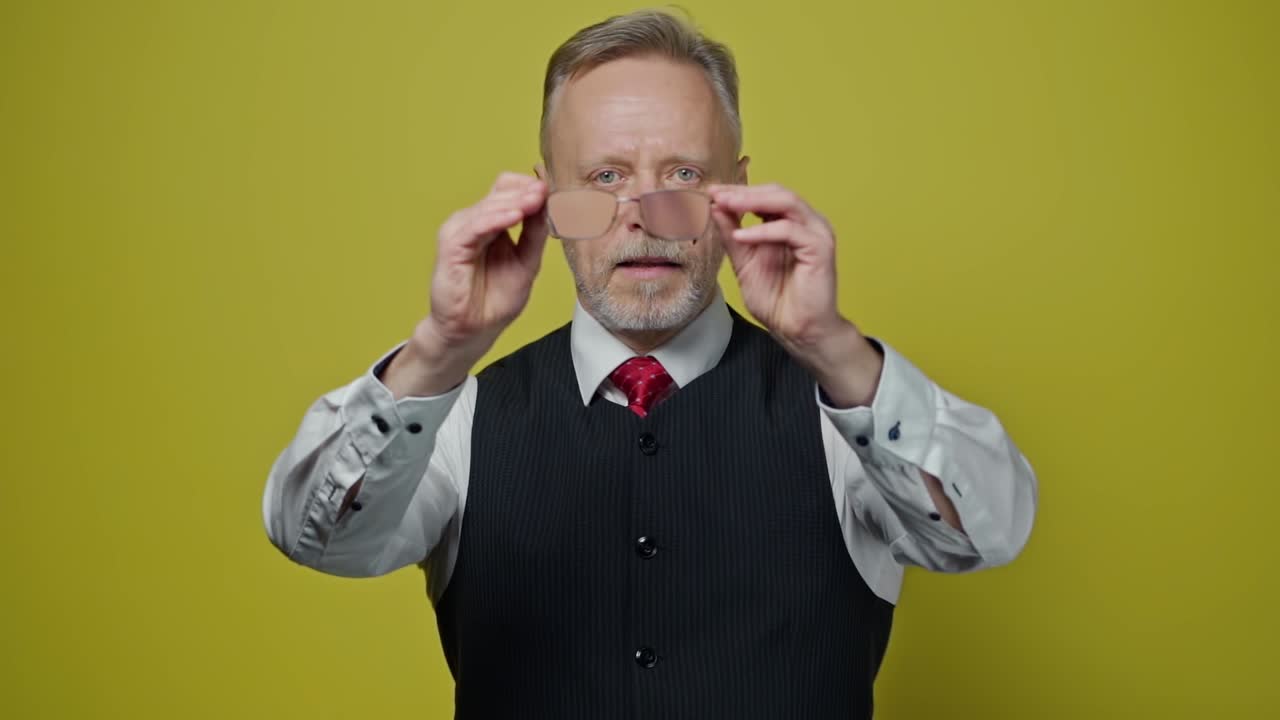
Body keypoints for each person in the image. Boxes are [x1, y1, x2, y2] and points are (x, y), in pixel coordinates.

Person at [263, 9, 1037, 719]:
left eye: (683, 175)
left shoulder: (848, 412)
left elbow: (985, 535)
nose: (642, 213)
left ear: (736, 190)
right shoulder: (454, 417)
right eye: (603, 177)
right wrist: (437, 350)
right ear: (547, 201)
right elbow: (318, 540)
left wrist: (835, 347)